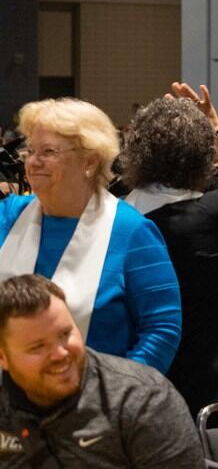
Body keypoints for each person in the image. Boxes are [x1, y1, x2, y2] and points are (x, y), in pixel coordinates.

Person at [121, 84, 218, 417]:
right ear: (203, 156)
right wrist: (216, 127)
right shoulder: (215, 213)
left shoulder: (121, 218)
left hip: (146, 382)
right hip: (216, 389)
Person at [0, 98, 181, 373]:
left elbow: (162, 329)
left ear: (90, 161)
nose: (33, 162)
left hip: (95, 404)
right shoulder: (10, 215)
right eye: (30, 150)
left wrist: (120, 391)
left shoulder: (131, 231)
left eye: (48, 151)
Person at [0, 274, 203, 468]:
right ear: (2, 358)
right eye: (38, 347)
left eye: (65, 333)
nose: (60, 353)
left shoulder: (142, 399)